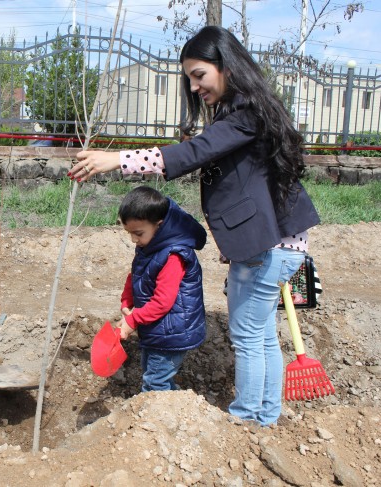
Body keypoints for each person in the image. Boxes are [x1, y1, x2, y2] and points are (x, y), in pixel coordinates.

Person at [70, 26, 320, 426]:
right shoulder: (246, 110)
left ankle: (245, 420)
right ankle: (266, 415)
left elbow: (194, 153)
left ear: (226, 65)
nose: (194, 85)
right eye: (189, 77)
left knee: (248, 339)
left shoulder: (245, 114)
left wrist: (118, 159)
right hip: (277, 245)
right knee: (262, 336)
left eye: (199, 74)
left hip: (267, 249)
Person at [115, 186, 207, 392]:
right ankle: (171, 410)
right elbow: (136, 274)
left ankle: (154, 422)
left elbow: (162, 302)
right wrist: (127, 301)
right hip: (158, 330)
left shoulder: (174, 256)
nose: (133, 240)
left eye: (138, 233)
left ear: (160, 225)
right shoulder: (150, 245)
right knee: (154, 372)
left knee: (155, 382)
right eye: (129, 233)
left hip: (171, 332)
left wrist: (133, 320)